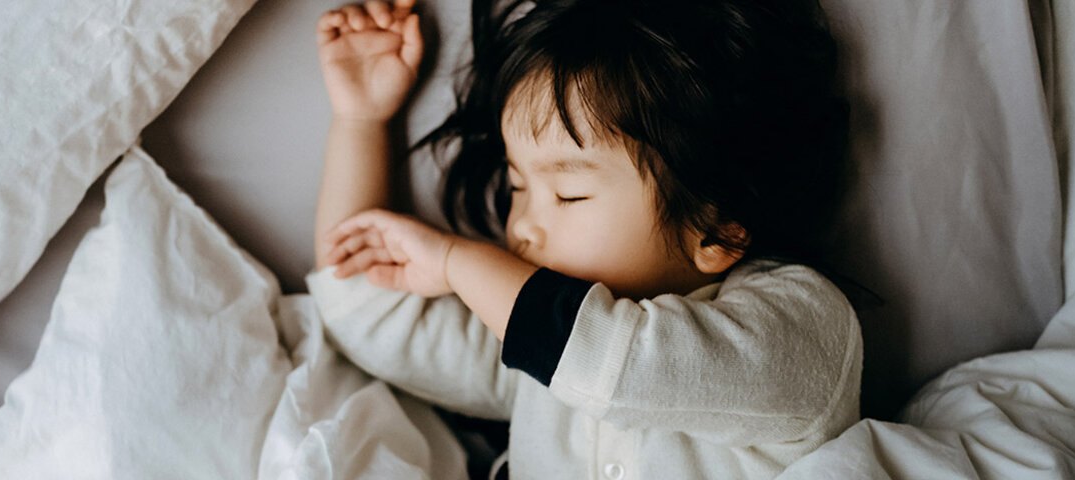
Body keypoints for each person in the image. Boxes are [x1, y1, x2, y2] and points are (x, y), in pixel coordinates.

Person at [310, 0, 861, 478]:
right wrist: (362, 122)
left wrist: (458, 263)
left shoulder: (800, 324)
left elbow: (621, 362)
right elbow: (367, 304)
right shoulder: (525, 350)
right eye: (517, 185)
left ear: (715, 228)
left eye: (568, 195)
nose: (521, 225)